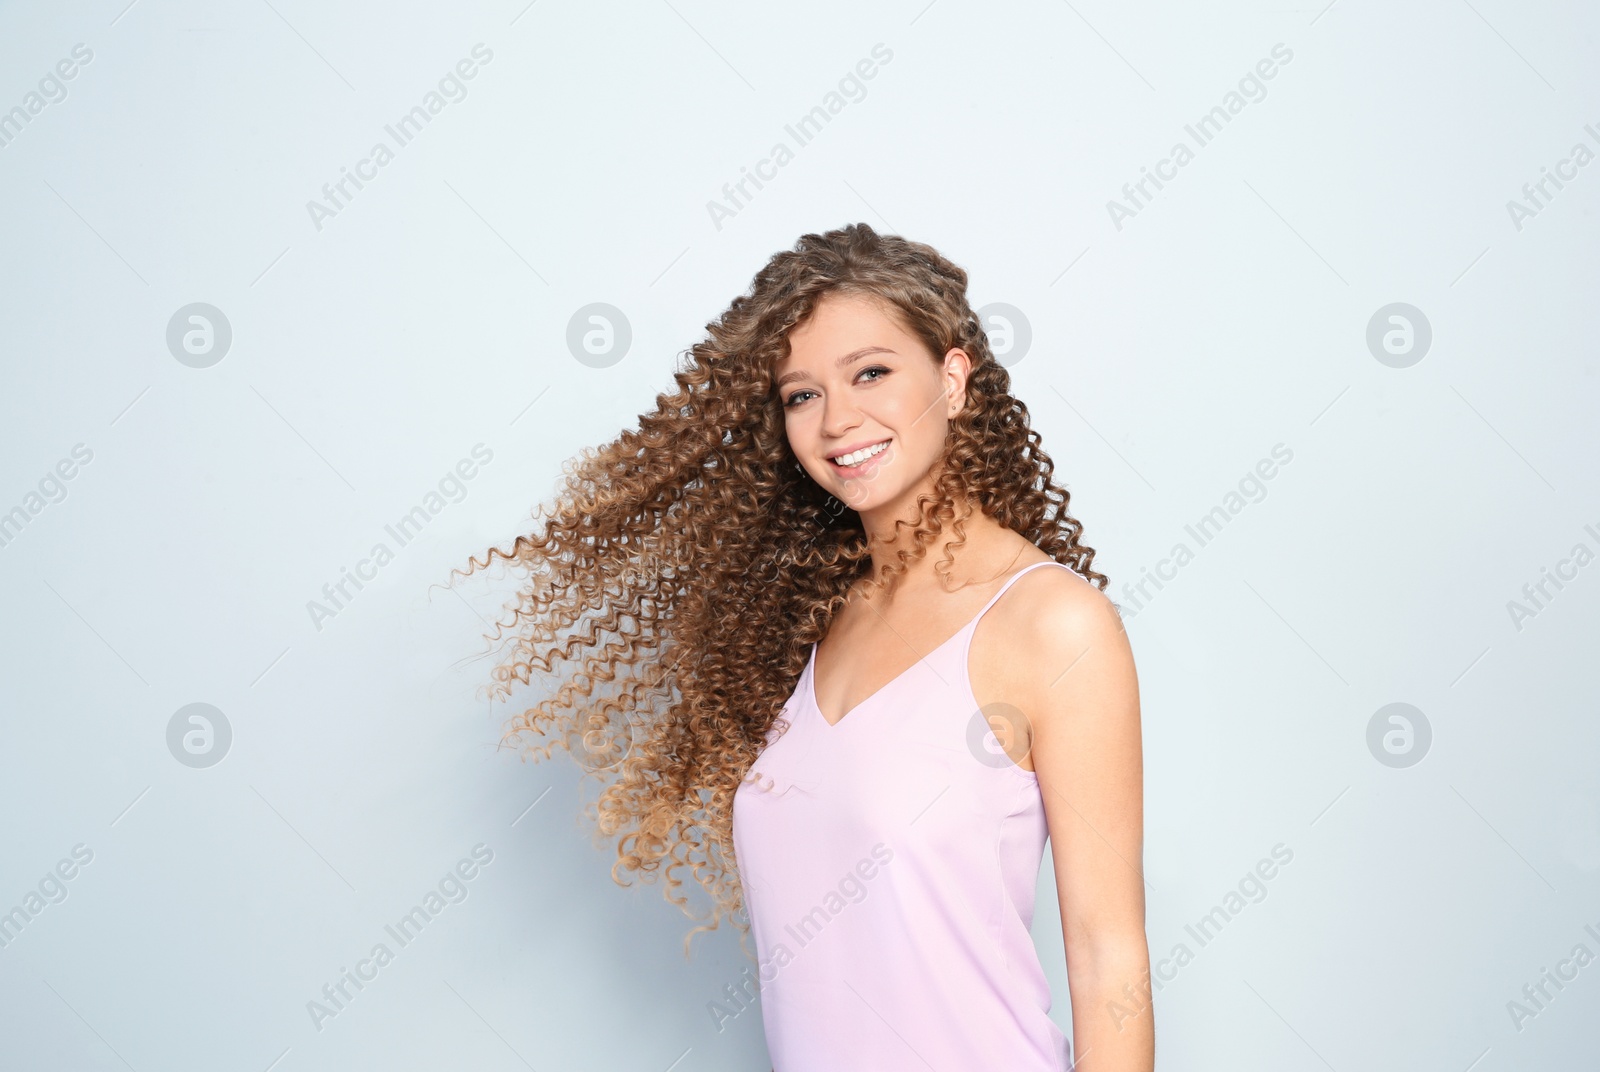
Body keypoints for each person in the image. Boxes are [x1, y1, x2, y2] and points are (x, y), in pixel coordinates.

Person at [458, 223, 1151, 1071]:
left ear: (954, 377)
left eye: (871, 373)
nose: (838, 420)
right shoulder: (814, 621)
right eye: (801, 394)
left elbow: (1107, 953)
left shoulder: (1053, 625)